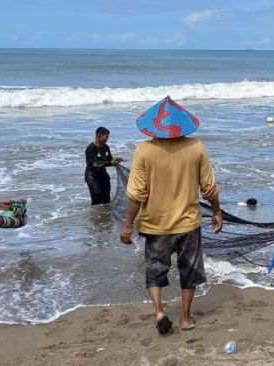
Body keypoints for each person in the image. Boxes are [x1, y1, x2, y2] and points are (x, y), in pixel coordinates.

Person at [120, 96, 222, 335]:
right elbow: (209, 187)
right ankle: (186, 319)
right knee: (190, 270)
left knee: (155, 270)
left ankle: (159, 312)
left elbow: (136, 194)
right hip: (188, 223)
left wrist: (127, 226)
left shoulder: (144, 150)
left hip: (156, 225)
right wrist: (216, 212)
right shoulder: (195, 147)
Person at [84, 127, 123, 205]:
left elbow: (109, 160)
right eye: (106, 137)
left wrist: (115, 161)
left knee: (106, 198)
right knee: (97, 198)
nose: (107, 139)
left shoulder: (106, 147)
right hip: (92, 175)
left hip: (103, 174)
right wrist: (109, 162)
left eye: (108, 137)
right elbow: (93, 164)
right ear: (98, 135)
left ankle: (105, 215)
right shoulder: (90, 148)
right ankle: (96, 215)